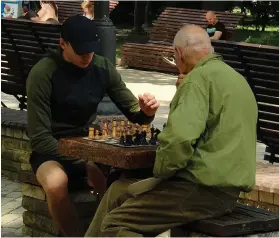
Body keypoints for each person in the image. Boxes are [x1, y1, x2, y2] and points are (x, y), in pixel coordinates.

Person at [85, 24, 258, 237]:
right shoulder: (235, 79)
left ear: (178, 53)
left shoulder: (197, 80)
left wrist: (158, 172)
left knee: (116, 223)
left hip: (200, 189)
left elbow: (178, 142)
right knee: (117, 191)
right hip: (224, 189)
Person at [26, 15, 159, 237]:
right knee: (56, 183)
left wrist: (147, 112)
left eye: (91, 49)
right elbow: (39, 138)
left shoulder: (102, 67)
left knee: (122, 180)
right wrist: (83, 160)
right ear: (62, 44)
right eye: (80, 51)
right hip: (51, 148)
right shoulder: (43, 73)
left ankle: (106, 231)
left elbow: (135, 114)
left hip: (88, 143)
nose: (87, 56)